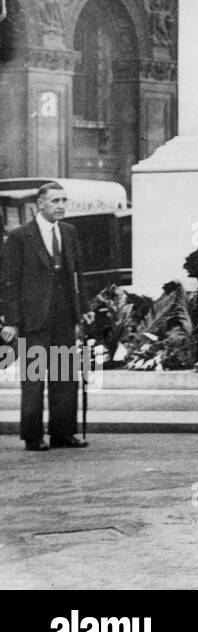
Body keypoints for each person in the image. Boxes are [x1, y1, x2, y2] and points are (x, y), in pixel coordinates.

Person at [0, 183, 88, 451]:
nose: (61, 205)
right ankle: (33, 436)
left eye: (64, 200)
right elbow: (9, 281)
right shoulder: (20, 237)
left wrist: (82, 310)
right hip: (33, 317)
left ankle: (63, 433)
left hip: (64, 315)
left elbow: (78, 273)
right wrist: (11, 321)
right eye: (54, 201)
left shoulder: (69, 232)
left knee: (64, 378)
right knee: (35, 380)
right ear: (40, 204)